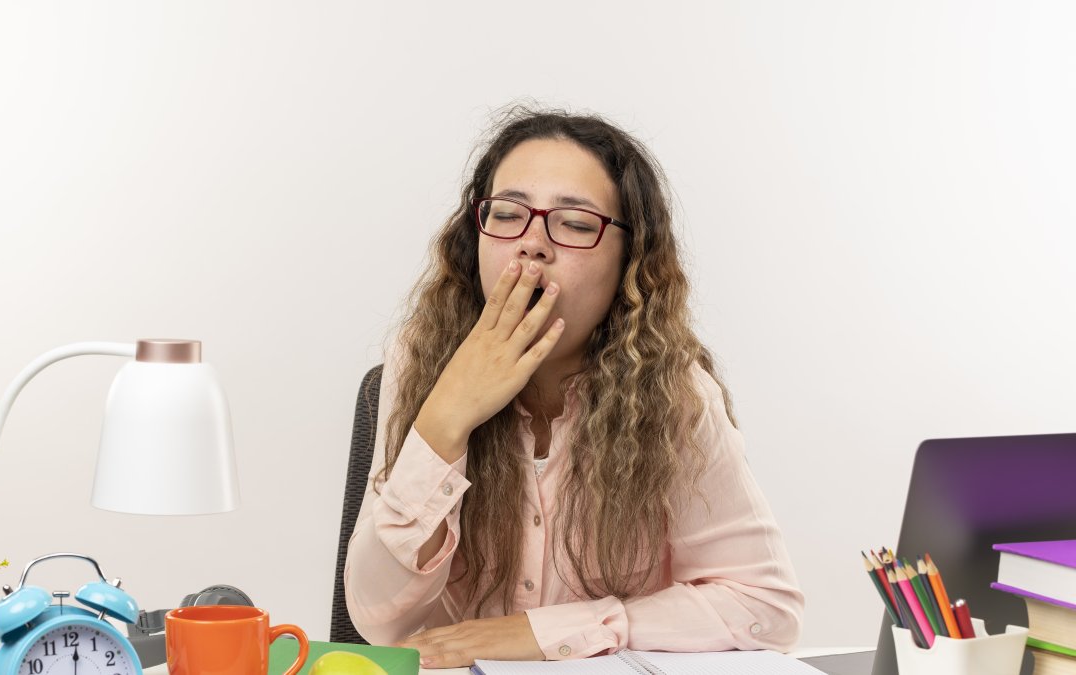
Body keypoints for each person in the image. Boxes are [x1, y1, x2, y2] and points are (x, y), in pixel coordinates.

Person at [344, 108, 804, 669]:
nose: (532, 245)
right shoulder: (422, 358)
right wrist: (445, 418)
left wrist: (553, 632)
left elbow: (766, 607)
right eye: (508, 214)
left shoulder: (675, 392)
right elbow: (376, 618)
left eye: (577, 224)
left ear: (630, 263)